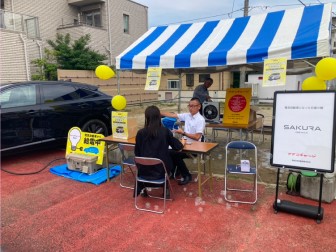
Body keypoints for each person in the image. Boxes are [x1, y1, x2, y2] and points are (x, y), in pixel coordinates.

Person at [134, 105, 184, 197]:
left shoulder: (140, 133)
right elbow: (178, 147)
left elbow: (137, 153)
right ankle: (166, 188)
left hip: (143, 170)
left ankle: (144, 188)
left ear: (146, 117)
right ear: (159, 117)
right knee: (170, 157)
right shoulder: (165, 131)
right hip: (161, 170)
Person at [161, 98, 206, 185]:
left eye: (193, 106)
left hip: (195, 147)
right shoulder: (187, 115)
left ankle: (186, 175)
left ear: (199, 107)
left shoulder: (200, 120)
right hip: (184, 144)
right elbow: (173, 115)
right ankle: (175, 171)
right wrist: (159, 112)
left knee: (175, 154)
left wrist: (183, 133)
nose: (190, 108)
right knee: (168, 151)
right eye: (189, 106)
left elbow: (197, 137)